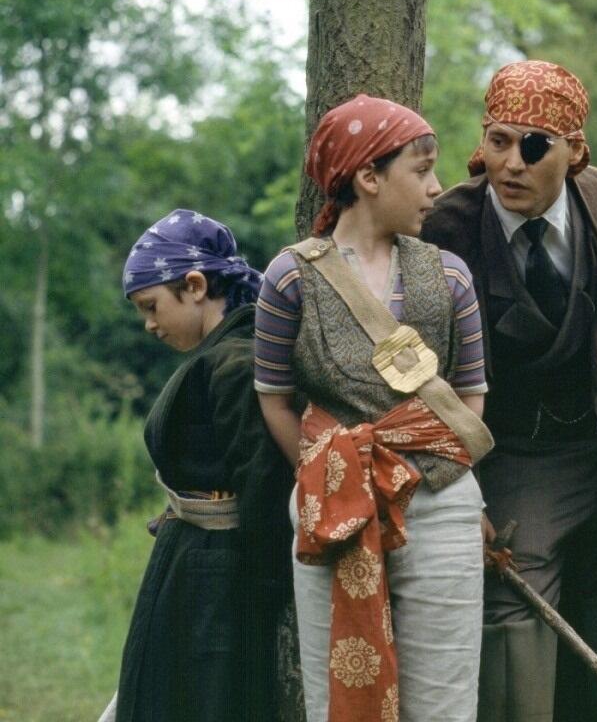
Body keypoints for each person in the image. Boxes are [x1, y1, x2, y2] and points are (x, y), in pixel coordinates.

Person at [421, 59, 597, 722]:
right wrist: (458, 493)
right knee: (515, 631)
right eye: (497, 141)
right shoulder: (448, 230)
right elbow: (420, 384)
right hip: (510, 460)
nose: (510, 163)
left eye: (533, 146)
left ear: (574, 151)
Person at [254, 95, 494, 722]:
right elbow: (273, 398)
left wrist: (426, 475)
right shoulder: (289, 279)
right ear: (368, 177)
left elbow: (470, 398)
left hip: (440, 502)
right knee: (335, 697)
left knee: (445, 705)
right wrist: (330, 472)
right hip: (334, 507)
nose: (437, 188)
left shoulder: (450, 277)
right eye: (422, 170)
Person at [112, 209, 294, 722]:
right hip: (198, 565)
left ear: (194, 286)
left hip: (221, 580)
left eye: (151, 306)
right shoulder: (216, 358)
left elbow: (263, 482)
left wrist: (266, 591)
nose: (149, 324)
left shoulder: (235, 363)